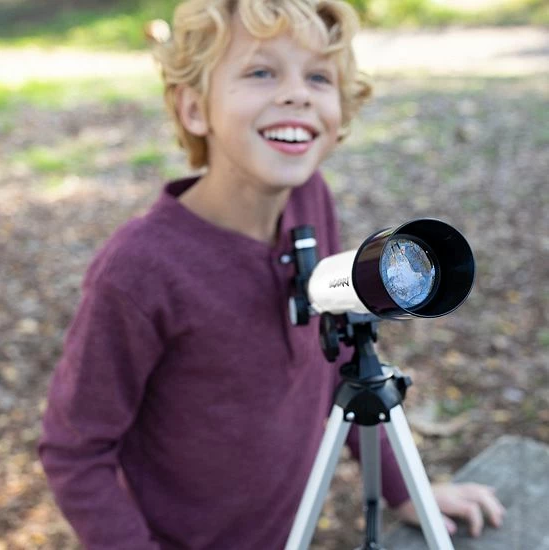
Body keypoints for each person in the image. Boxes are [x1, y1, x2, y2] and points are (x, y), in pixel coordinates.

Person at [39, 1, 505, 549]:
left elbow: (340, 354)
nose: (297, 94)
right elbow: (75, 450)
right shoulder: (139, 270)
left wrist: (406, 491)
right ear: (194, 108)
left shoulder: (311, 199)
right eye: (261, 71)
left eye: (318, 77)